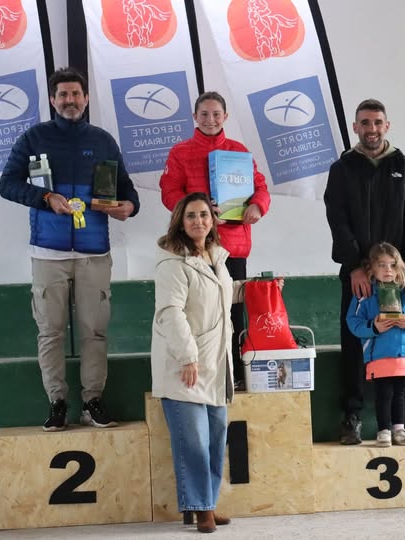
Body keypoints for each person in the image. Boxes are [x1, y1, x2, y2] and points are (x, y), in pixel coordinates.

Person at [0, 67, 140, 432]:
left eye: (76, 94)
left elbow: (126, 189)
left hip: (94, 253)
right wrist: (46, 197)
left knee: (95, 331)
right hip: (48, 252)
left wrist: (130, 206)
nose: (70, 100)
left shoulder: (103, 141)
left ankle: (93, 401)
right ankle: (57, 402)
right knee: (51, 333)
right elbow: (7, 184)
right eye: (62, 94)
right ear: (52, 99)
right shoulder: (34, 138)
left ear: (86, 98)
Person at [150, 192, 283, 533]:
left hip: (216, 364)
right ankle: (201, 509)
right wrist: (187, 357)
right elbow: (170, 312)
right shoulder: (172, 262)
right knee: (193, 442)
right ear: (180, 221)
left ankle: (205, 502)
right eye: (191, 215)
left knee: (214, 438)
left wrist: (258, 287)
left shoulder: (216, 257)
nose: (199, 221)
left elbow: (223, 292)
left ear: (213, 221)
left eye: (204, 215)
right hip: (186, 366)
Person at [323, 98, 405, 445]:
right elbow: (337, 219)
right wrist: (355, 266)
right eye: (365, 123)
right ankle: (352, 415)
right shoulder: (342, 169)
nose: (371, 129)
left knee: (402, 338)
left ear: (387, 126)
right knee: (355, 340)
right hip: (359, 275)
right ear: (355, 127)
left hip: (398, 276)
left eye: (377, 122)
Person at [159, 91, 271, 387]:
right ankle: (201, 374)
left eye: (216, 114)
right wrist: (201, 211)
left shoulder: (238, 151)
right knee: (198, 313)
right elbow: (169, 192)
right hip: (195, 249)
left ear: (225, 117)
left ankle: (234, 377)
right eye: (204, 114)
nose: (210, 120)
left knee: (234, 312)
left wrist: (257, 206)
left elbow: (260, 187)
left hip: (233, 247)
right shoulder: (180, 152)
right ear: (194, 117)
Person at [346, 243, 405, 447]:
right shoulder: (365, 295)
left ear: (400, 267)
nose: (388, 270)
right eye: (381, 265)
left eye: (392, 265)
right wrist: (374, 327)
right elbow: (354, 322)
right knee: (383, 393)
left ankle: (399, 430)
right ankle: (383, 431)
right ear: (371, 269)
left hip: (404, 354)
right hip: (378, 354)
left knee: (400, 393)